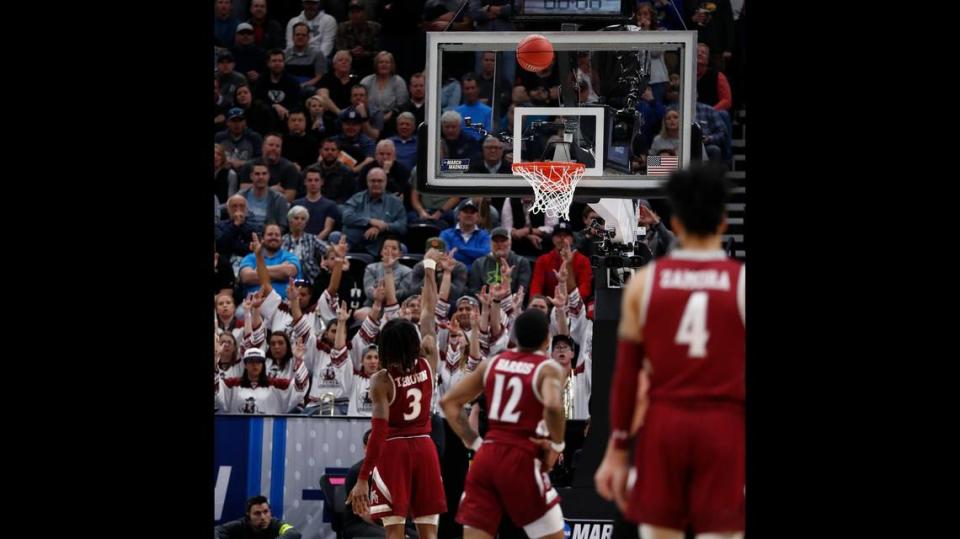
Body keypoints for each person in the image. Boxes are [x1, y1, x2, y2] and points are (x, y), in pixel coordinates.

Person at [594, 164, 745, 539]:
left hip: (665, 427)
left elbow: (627, 376)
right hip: (722, 428)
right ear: (724, 220)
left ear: (675, 223)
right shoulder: (741, 284)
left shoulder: (645, 284)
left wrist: (616, 449)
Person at [439, 308, 568, 539]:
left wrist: (475, 443)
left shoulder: (492, 363)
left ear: (514, 337)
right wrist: (557, 446)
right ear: (547, 339)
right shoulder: (548, 368)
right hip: (523, 457)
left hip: (487, 457)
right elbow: (553, 406)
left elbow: (449, 403)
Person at [347, 249, 447, 539]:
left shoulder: (382, 380)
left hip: (395, 451)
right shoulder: (428, 355)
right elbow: (429, 310)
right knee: (429, 533)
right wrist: (429, 267)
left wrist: (363, 478)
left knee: (395, 532)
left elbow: (378, 434)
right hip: (426, 447)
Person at [214, 495, 302, 538]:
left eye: (266, 512)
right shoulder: (240, 525)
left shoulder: (276, 524)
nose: (263, 517)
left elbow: (294, 533)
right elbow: (217, 530)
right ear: (248, 515)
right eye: (257, 513)